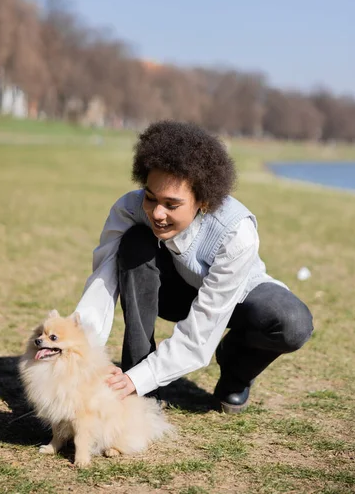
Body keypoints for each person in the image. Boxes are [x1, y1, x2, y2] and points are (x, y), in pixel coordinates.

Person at [76, 121, 313, 413]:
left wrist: (140, 379)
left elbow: (202, 329)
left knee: (292, 323)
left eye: (172, 205)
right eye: (151, 197)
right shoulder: (129, 209)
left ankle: (235, 368)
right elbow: (103, 282)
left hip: (234, 298)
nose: (157, 213)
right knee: (135, 242)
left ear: (203, 201)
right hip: (171, 292)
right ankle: (139, 377)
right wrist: (78, 348)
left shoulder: (237, 232)